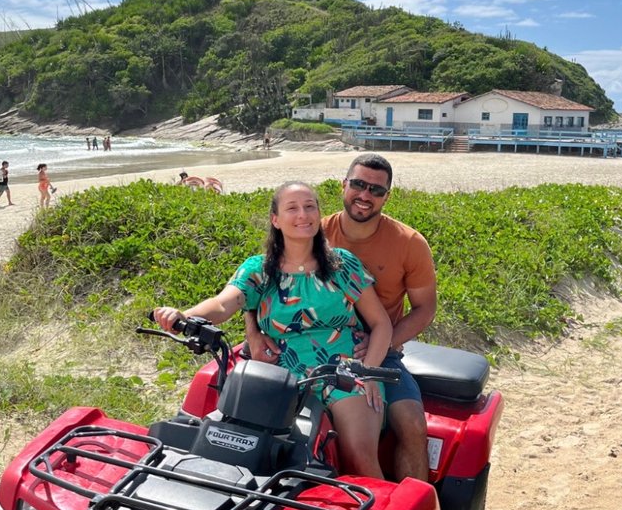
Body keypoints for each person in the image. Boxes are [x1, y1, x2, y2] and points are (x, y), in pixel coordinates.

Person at [154, 182, 394, 478]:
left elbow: (381, 323)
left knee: (360, 457)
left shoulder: (341, 264)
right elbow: (223, 304)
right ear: (275, 219)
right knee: (240, 450)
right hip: (280, 374)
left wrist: (367, 371)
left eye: (310, 207)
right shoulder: (259, 269)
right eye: (292, 208)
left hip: (345, 372)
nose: (303, 214)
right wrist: (183, 315)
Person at [246, 153, 437, 483]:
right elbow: (257, 282)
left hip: (380, 351)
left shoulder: (408, 243)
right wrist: (253, 331)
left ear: (386, 197)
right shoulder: (312, 230)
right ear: (343, 186)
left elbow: (425, 308)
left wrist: (381, 347)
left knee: (412, 424)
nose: (365, 195)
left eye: (376, 190)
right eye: (359, 185)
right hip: (308, 347)